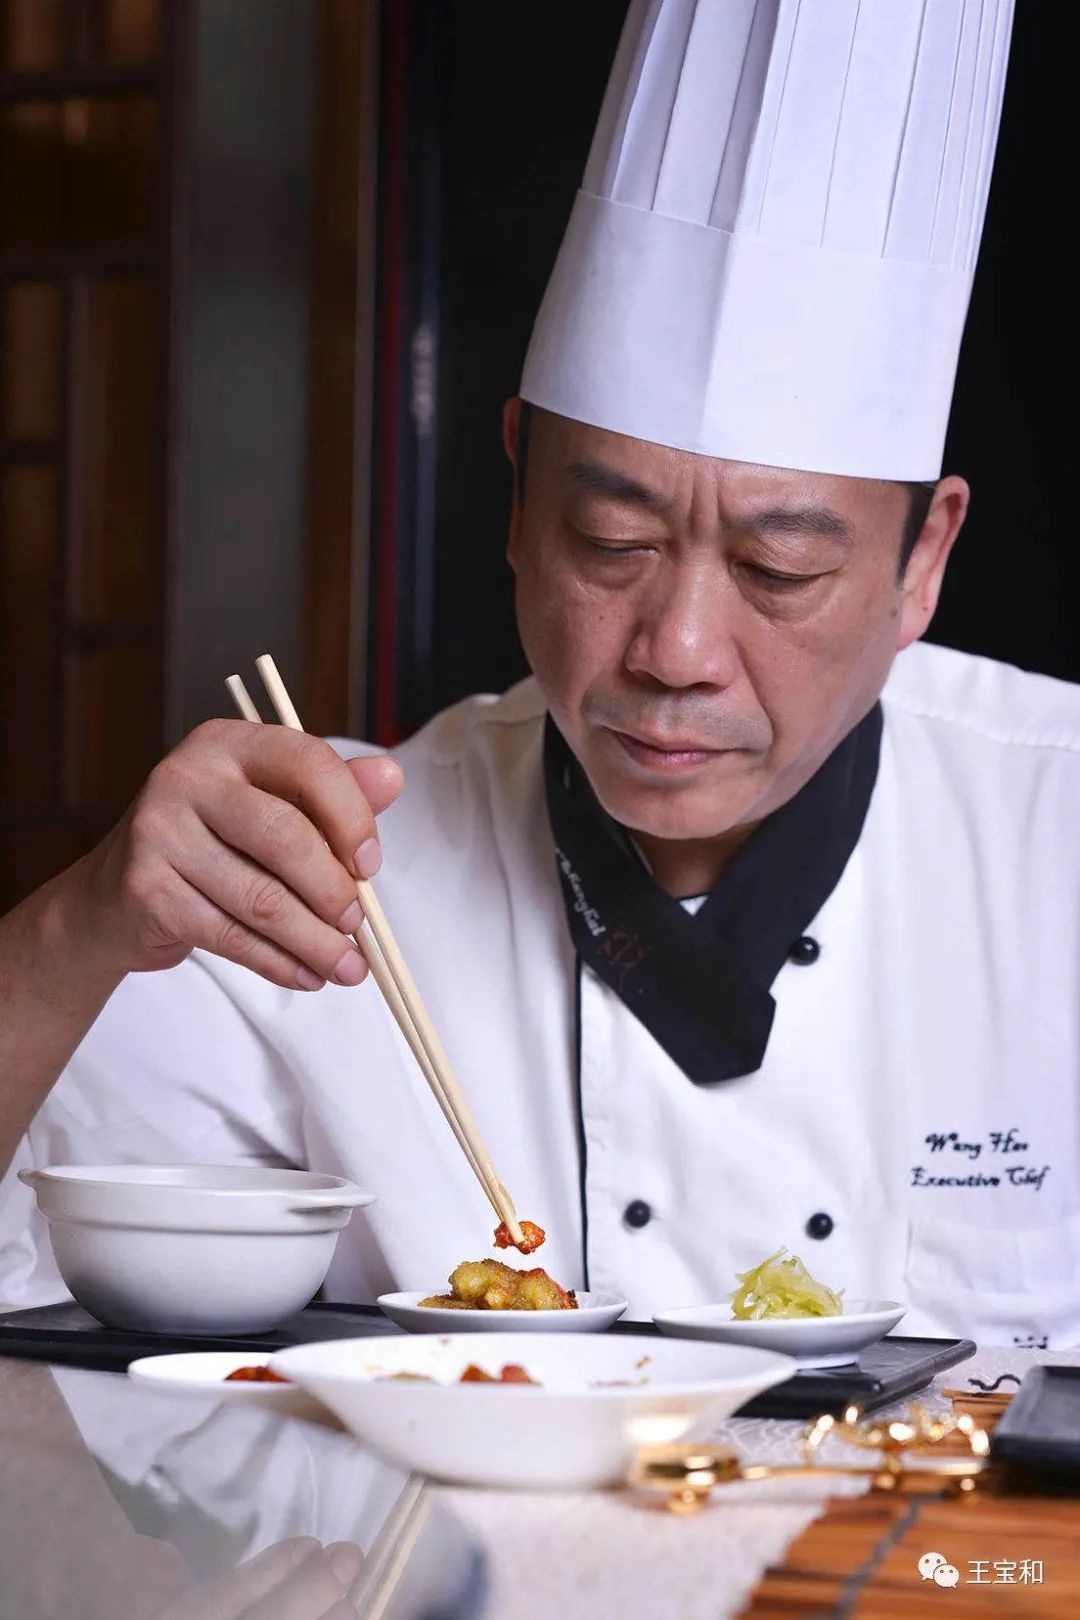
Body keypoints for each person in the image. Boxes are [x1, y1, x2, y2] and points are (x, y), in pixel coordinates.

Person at [4, 0, 1077, 1348]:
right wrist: (78, 928)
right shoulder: (327, 880)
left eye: (780, 568)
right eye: (612, 541)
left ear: (923, 562)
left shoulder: (1056, 834)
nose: (675, 652)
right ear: (517, 497)